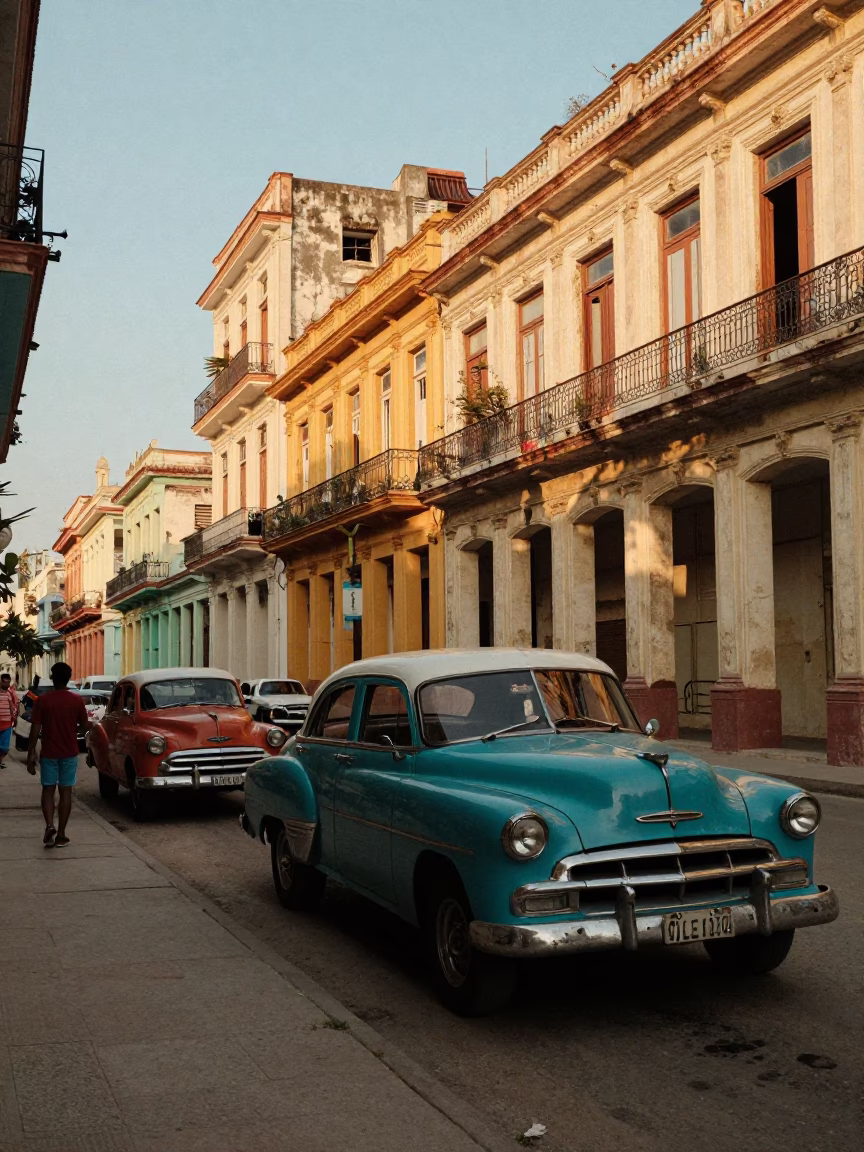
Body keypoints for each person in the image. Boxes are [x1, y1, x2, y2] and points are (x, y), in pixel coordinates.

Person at [25, 662, 89, 847]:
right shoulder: (76, 701)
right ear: (69, 679)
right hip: (69, 753)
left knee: (48, 790)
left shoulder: (43, 701)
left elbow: (35, 729)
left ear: (52, 677)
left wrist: (30, 753)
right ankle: (61, 834)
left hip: (49, 753)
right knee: (65, 791)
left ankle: (49, 825)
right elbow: (84, 726)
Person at [0, 671, 19, 768]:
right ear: (0, 681)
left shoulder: (11, 693)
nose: (6, 684)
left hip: (7, 724)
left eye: (8, 682)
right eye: (4, 682)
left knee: (4, 746)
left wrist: (15, 719)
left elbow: (14, 707)